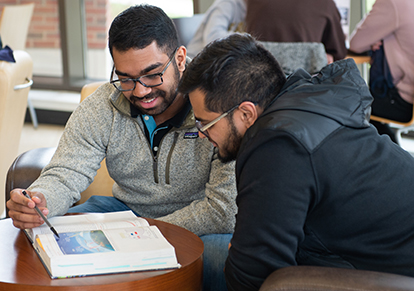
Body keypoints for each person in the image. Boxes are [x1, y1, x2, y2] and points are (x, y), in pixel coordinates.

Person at [6, 5, 237, 291]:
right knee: (58, 231)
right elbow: (66, 171)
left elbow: (223, 210)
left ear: (179, 59)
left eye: (152, 74)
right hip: (124, 213)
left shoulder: (216, 104)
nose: (140, 91)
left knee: (222, 256)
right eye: (126, 78)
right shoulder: (102, 106)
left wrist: (144, 231)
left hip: (199, 223)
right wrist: (40, 200)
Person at [178, 33, 414, 291]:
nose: (201, 133)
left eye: (206, 123)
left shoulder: (277, 145)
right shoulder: (307, 103)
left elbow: (251, 277)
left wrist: (243, 254)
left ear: (246, 113)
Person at [349, 0, 414, 142]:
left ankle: (390, 155)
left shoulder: (392, 3)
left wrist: (374, 40)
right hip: (408, 97)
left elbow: (355, 43)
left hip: (401, 100)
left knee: (345, 104)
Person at [245, 0, 347, 63]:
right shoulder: (325, 3)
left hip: (257, 89)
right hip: (308, 90)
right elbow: (339, 53)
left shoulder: (253, 2)